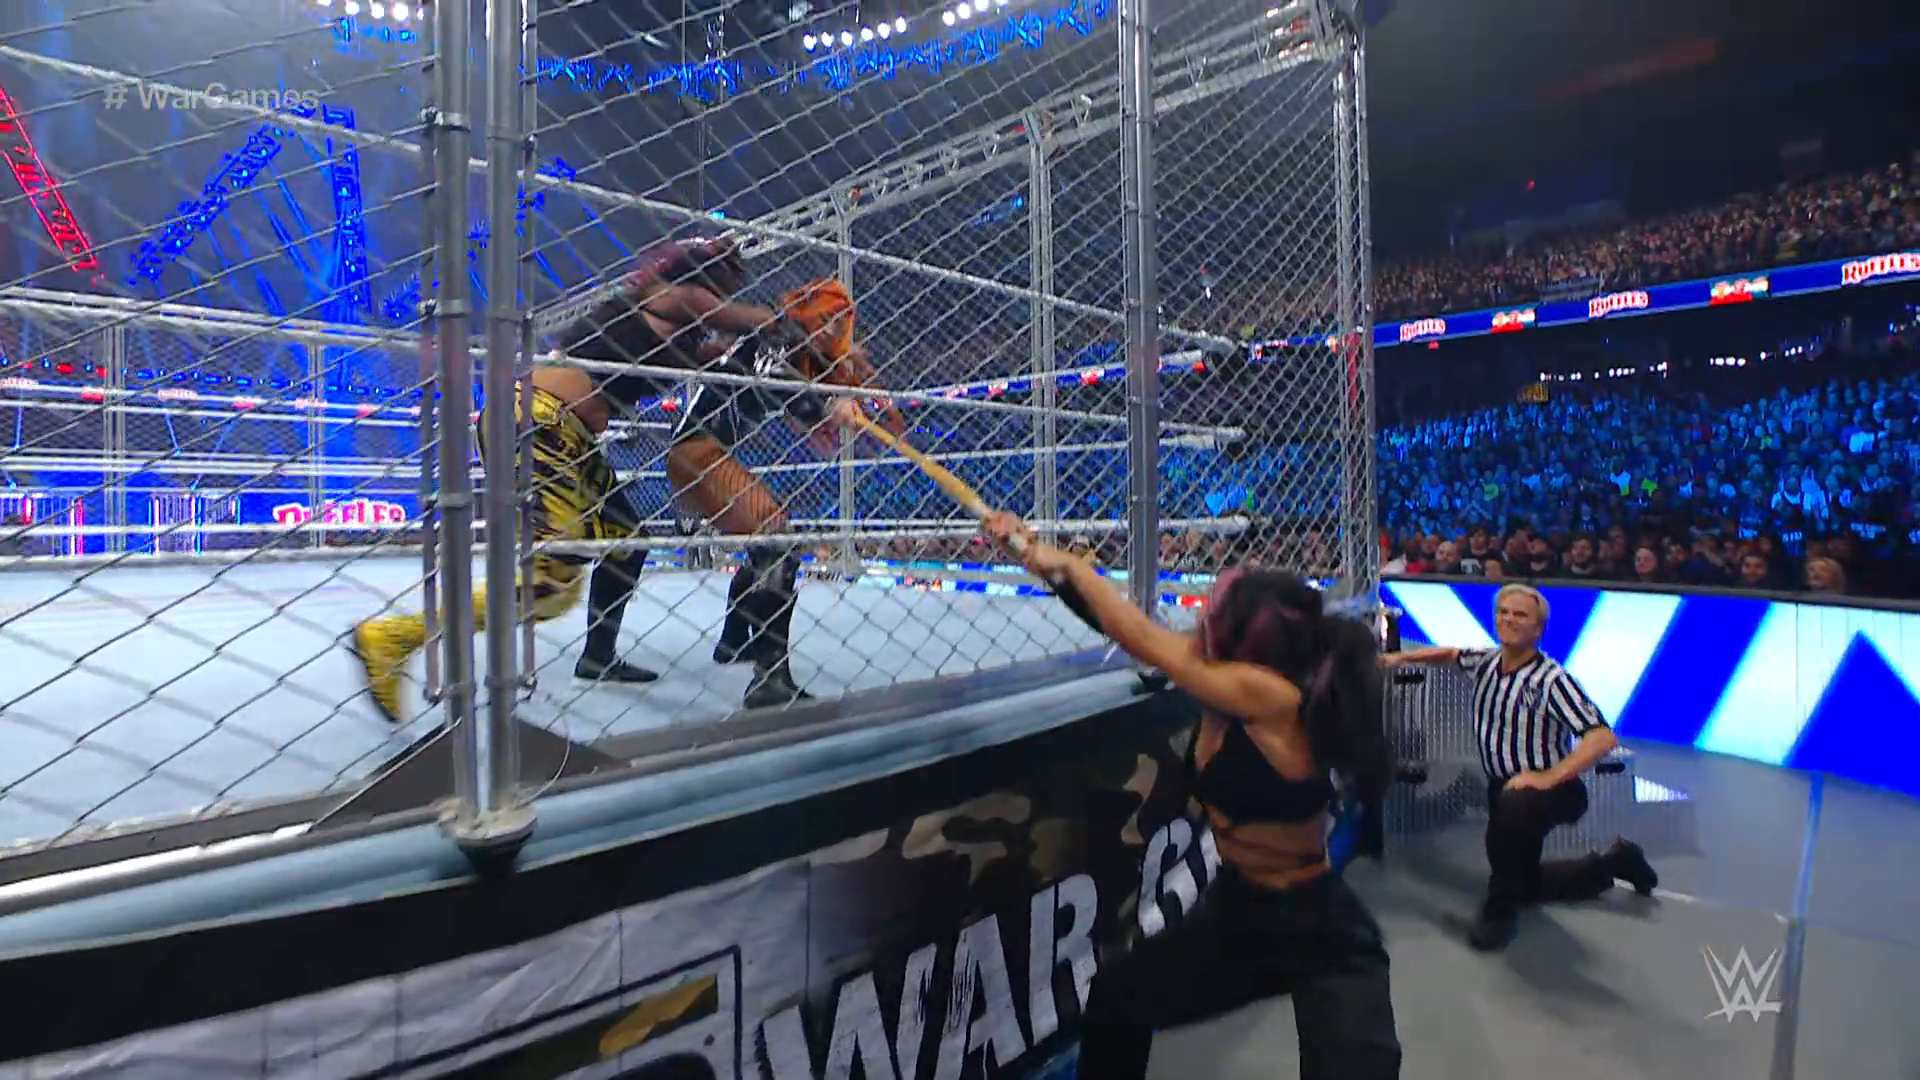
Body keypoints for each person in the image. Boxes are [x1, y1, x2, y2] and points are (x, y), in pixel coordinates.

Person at [350, 237, 877, 719]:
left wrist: (826, 380)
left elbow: (744, 361)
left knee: (627, 538)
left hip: (563, 432)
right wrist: (800, 320)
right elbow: (752, 321)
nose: (729, 294)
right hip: (537, 423)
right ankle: (395, 636)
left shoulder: (675, 331)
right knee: (550, 588)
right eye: (727, 279)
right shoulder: (674, 296)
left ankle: (597, 656)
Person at [982, 511, 1402, 1080]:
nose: (1201, 615)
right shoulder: (1223, 682)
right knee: (1117, 998)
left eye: (1214, 611)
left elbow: (1141, 636)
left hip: (1317, 921)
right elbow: (1118, 624)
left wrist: (1061, 561)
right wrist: (1039, 560)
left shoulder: (1271, 696)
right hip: (1242, 909)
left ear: (1246, 635)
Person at [1380, 583, 1658, 951]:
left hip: (1553, 791)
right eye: (1503, 612)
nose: (1509, 619)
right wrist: (1398, 660)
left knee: (1507, 852)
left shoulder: (1551, 681)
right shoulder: (1485, 662)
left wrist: (1547, 777)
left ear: (1538, 628)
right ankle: (1614, 863)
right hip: (1503, 788)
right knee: (1521, 879)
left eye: (1520, 615)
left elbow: (1602, 737)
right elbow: (1449, 654)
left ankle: (1499, 913)